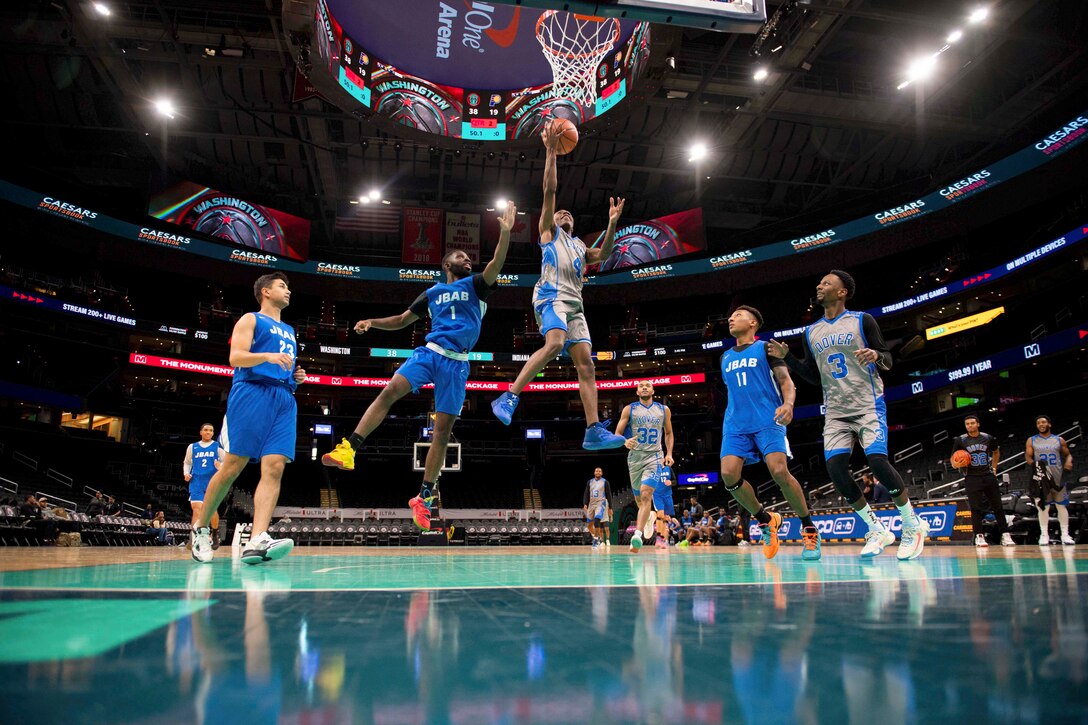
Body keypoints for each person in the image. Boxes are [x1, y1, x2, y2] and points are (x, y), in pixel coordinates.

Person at [321, 206, 517, 530]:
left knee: (442, 433)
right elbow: (401, 320)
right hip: (430, 353)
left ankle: (424, 498)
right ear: (445, 264)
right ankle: (349, 448)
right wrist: (371, 322)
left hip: (457, 364)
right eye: (461, 256)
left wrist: (506, 232)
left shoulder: (477, 285)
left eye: (469, 259)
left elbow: (496, 263)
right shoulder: (432, 292)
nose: (467, 260)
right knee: (389, 392)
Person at [768, 270, 929, 560]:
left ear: (842, 292)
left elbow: (889, 359)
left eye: (827, 283)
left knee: (877, 462)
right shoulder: (811, 331)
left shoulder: (862, 320)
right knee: (836, 470)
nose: (820, 286)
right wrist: (788, 358)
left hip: (868, 404)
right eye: (819, 282)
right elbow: (814, 377)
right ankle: (876, 529)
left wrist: (877, 356)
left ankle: (911, 524)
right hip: (836, 412)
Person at [489, 122, 627, 452]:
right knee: (554, 344)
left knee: (587, 363)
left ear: (574, 223)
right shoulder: (549, 233)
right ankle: (509, 397)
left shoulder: (580, 245)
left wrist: (611, 223)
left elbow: (605, 253)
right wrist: (551, 151)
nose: (562, 212)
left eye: (568, 213)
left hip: (575, 304)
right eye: (559, 212)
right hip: (551, 296)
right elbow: (549, 191)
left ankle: (593, 429)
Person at [191, 272, 307, 565]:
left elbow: (282, 366)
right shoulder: (250, 319)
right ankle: (201, 527)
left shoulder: (291, 330)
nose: (288, 290)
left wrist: (295, 378)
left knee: (275, 466)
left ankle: (257, 539)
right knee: (232, 466)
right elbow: (236, 357)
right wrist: (266, 357)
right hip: (251, 394)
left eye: (288, 286)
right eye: (283, 285)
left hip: (283, 398)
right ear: (265, 292)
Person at [719, 306, 822, 561]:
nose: (731, 319)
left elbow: (786, 381)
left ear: (753, 322)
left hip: (768, 418)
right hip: (736, 424)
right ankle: (766, 521)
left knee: (778, 471)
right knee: (729, 476)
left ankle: (808, 528)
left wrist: (788, 404)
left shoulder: (766, 348)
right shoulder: (724, 357)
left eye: (738, 316)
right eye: (730, 317)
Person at [614, 380, 674, 552]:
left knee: (647, 494)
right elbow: (618, 433)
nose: (645, 387)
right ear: (637, 392)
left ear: (653, 390)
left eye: (648, 385)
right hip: (635, 459)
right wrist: (624, 441)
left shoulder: (663, 410)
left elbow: (669, 433)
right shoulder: (629, 409)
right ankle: (647, 517)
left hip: (654, 457)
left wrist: (668, 453)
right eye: (641, 386)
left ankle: (637, 536)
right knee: (640, 500)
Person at [952, 414, 1014, 548]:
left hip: (988, 475)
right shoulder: (960, 440)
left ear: (978, 424)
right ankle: (979, 536)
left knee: (997, 506)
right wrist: (956, 464)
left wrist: (994, 467)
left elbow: (996, 452)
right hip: (971, 477)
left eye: (972, 423)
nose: (970, 426)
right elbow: (953, 459)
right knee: (975, 508)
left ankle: (1005, 534)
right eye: (967, 424)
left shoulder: (987, 438)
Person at [1026, 415, 1075, 545]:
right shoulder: (1032, 440)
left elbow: (1068, 454)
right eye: (1038, 423)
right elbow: (1028, 457)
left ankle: (1065, 534)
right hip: (1042, 479)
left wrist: (1069, 461)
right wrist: (1035, 465)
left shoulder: (1059, 440)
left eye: (1043, 422)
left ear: (1049, 424)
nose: (1041, 424)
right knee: (1043, 507)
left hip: (1058, 478)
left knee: (1061, 506)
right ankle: (1044, 535)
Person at [184, 423, 224, 549]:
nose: (208, 432)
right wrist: (186, 473)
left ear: (213, 433)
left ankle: (215, 533)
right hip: (196, 481)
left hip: (213, 481)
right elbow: (187, 462)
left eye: (211, 430)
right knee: (197, 509)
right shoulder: (193, 447)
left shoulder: (218, 447)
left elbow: (227, 463)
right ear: (201, 432)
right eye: (206, 430)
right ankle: (194, 537)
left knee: (212, 510)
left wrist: (221, 467)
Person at [583, 467, 612, 547]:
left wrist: (610, 507)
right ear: (594, 473)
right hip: (591, 504)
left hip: (600, 503)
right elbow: (586, 493)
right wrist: (585, 503)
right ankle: (598, 537)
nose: (598, 472)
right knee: (589, 525)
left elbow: (609, 494)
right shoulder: (590, 482)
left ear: (601, 473)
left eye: (599, 471)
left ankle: (596, 540)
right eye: (596, 471)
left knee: (597, 520)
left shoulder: (605, 482)